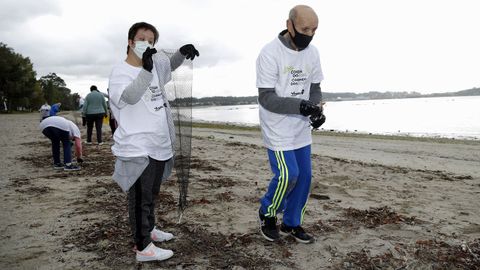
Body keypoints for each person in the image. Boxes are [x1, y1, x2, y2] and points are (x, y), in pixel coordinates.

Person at [108, 22, 199, 262]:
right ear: (130, 42)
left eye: (151, 41)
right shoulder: (121, 71)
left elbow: (168, 66)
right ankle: (143, 247)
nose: (147, 44)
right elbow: (127, 97)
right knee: (139, 197)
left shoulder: (156, 66)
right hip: (137, 146)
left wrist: (181, 53)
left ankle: (149, 229)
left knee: (152, 193)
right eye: (142, 39)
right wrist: (145, 71)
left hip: (159, 144)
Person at [256, 5, 326, 244]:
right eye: (305, 28)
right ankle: (267, 213)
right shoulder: (269, 53)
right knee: (288, 175)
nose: (310, 34)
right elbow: (266, 97)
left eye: (314, 29)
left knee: (304, 177)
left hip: (300, 128)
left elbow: (314, 88)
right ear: (290, 25)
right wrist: (300, 106)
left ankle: (292, 223)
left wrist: (315, 110)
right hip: (277, 127)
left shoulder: (313, 52)